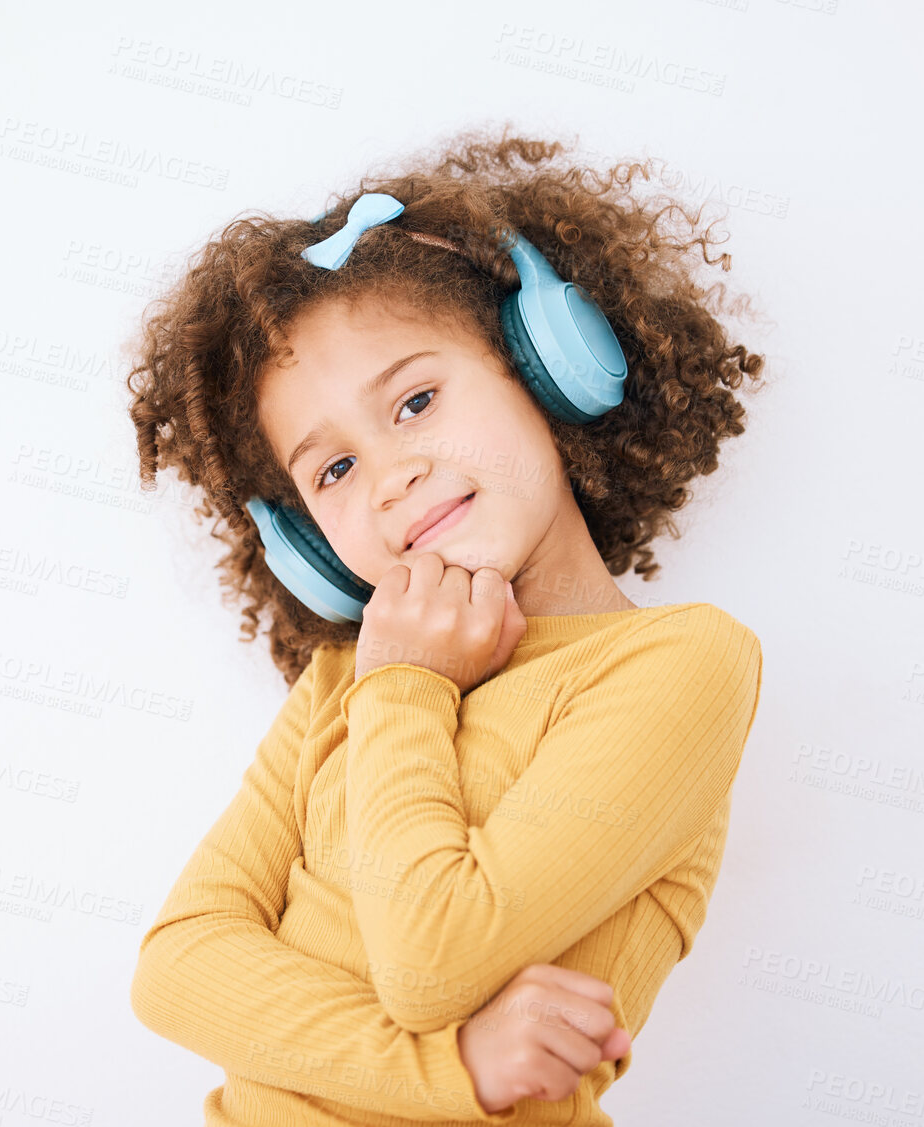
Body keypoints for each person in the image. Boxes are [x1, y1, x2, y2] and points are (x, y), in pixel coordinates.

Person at [123, 126, 768, 1126]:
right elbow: (176, 965)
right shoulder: (348, 678)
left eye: (416, 400)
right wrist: (451, 1067)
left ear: (549, 368)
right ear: (304, 536)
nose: (390, 477)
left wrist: (409, 684)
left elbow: (432, 956)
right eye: (331, 469)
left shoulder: (675, 663)